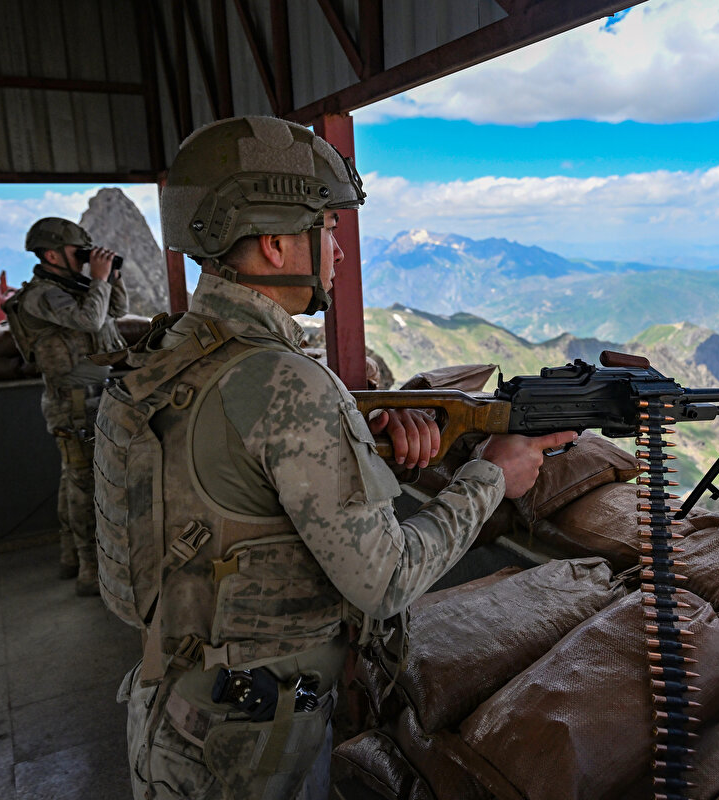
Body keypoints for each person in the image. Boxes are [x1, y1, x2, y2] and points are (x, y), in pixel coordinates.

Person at [95, 115, 574, 800]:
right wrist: (492, 475)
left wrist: (370, 448)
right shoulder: (282, 381)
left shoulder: (168, 358)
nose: (339, 253)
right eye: (326, 228)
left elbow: (239, 498)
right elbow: (387, 581)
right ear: (275, 242)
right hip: (251, 747)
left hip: (174, 713)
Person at [4, 217, 128, 595]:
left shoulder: (73, 287)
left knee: (72, 481)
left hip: (93, 398)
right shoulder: (42, 295)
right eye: (79, 253)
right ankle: (89, 570)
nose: (85, 259)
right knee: (84, 484)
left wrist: (111, 278)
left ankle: (69, 557)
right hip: (73, 406)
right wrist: (100, 279)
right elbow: (91, 320)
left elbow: (116, 312)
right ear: (52, 254)